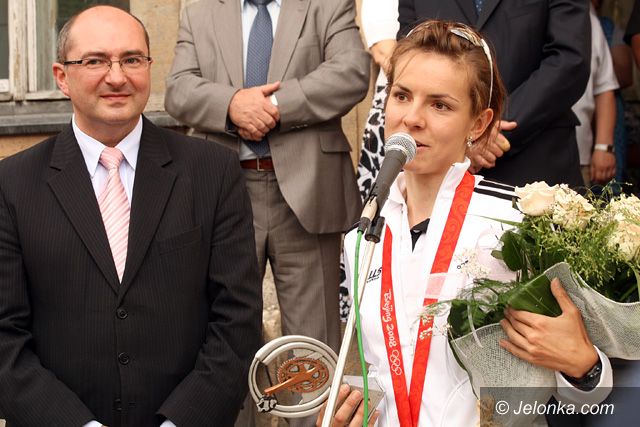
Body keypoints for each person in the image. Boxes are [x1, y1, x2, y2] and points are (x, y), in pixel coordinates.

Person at [318, 20, 612, 427]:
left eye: (440, 105)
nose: (412, 118)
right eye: (402, 96)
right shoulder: (360, 239)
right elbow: (380, 374)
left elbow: (591, 394)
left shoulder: (517, 224)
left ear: (478, 123)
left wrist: (585, 367)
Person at [0, 5, 262, 427]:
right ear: (61, 77)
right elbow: (4, 337)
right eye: (95, 61)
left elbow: (237, 319)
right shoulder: (12, 184)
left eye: (132, 59)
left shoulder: (212, 171)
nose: (117, 77)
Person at [165, 0, 368, 356]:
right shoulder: (199, 11)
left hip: (308, 190)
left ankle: (312, 398)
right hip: (224, 194)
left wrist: (274, 107)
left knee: (313, 344)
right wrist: (232, 105)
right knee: (221, 333)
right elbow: (178, 89)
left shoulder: (327, 5)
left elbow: (351, 72)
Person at [398, 0, 591, 188]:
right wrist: (464, 134)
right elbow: (408, 54)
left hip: (534, 163)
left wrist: (490, 129)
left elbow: (570, 61)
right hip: (438, 171)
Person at [573, 2, 618, 187]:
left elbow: (604, 86)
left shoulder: (586, 17)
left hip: (578, 154)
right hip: (519, 149)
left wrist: (604, 147)